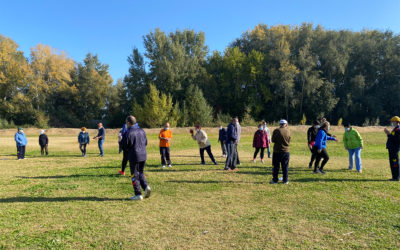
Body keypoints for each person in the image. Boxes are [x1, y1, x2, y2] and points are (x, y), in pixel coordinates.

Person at [121, 115, 151, 200]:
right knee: (140, 172)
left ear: (128, 123)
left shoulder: (128, 132)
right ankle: (146, 187)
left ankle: (138, 193)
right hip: (143, 154)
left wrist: (120, 140)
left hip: (134, 155)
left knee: (134, 174)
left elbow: (125, 145)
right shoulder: (142, 131)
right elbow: (145, 142)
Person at [270, 120, 291, 184]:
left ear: (280, 124)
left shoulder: (276, 130)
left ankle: (275, 180)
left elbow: (273, 140)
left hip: (277, 151)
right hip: (286, 151)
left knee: (276, 166)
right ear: (286, 124)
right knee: (285, 166)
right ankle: (285, 180)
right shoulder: (289, 131)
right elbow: (289, 140)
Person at [384, 116, 400, 181]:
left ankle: (396, 177)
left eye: (392, 121)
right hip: (392, 149)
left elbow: (396, 140)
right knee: (393, 163)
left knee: (395, 163)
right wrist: (389, 134)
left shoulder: (398, 129)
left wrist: (388, 134)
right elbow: (393, 137)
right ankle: (394, 176)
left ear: (396, 122)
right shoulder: (395, 129)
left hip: (394, 149)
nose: (392, 123)